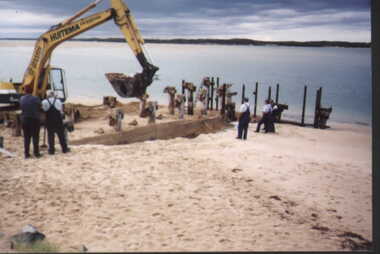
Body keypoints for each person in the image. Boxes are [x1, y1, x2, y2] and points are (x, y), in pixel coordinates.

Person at [20, 86, 42, 159]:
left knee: (26, 138)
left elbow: (21, 107)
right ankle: (36, 153)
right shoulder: (35, 98)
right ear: (32, 91)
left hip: (25, 119)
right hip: (34, 119)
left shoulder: (22, 99)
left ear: (25, 91)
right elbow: (40, 106)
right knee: (35, 137)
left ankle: (26, 154)